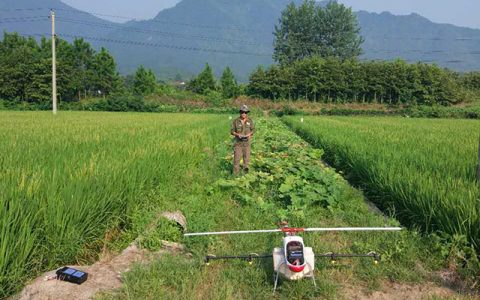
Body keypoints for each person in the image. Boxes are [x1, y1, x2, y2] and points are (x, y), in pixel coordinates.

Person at [231, 105, 255, 175]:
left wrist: (250, 134)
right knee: (236, 160)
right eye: (242, 112)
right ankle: (235, 175)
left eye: (245, 112)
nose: (244, 113)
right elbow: (232, 131)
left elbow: (253, 130)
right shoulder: (235, 121)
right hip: (238, 143)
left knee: (246, 160)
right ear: (240, 112)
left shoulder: (250, 121)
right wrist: (237, 134)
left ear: (247, 113)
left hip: (247, 143)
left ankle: (246, 175)